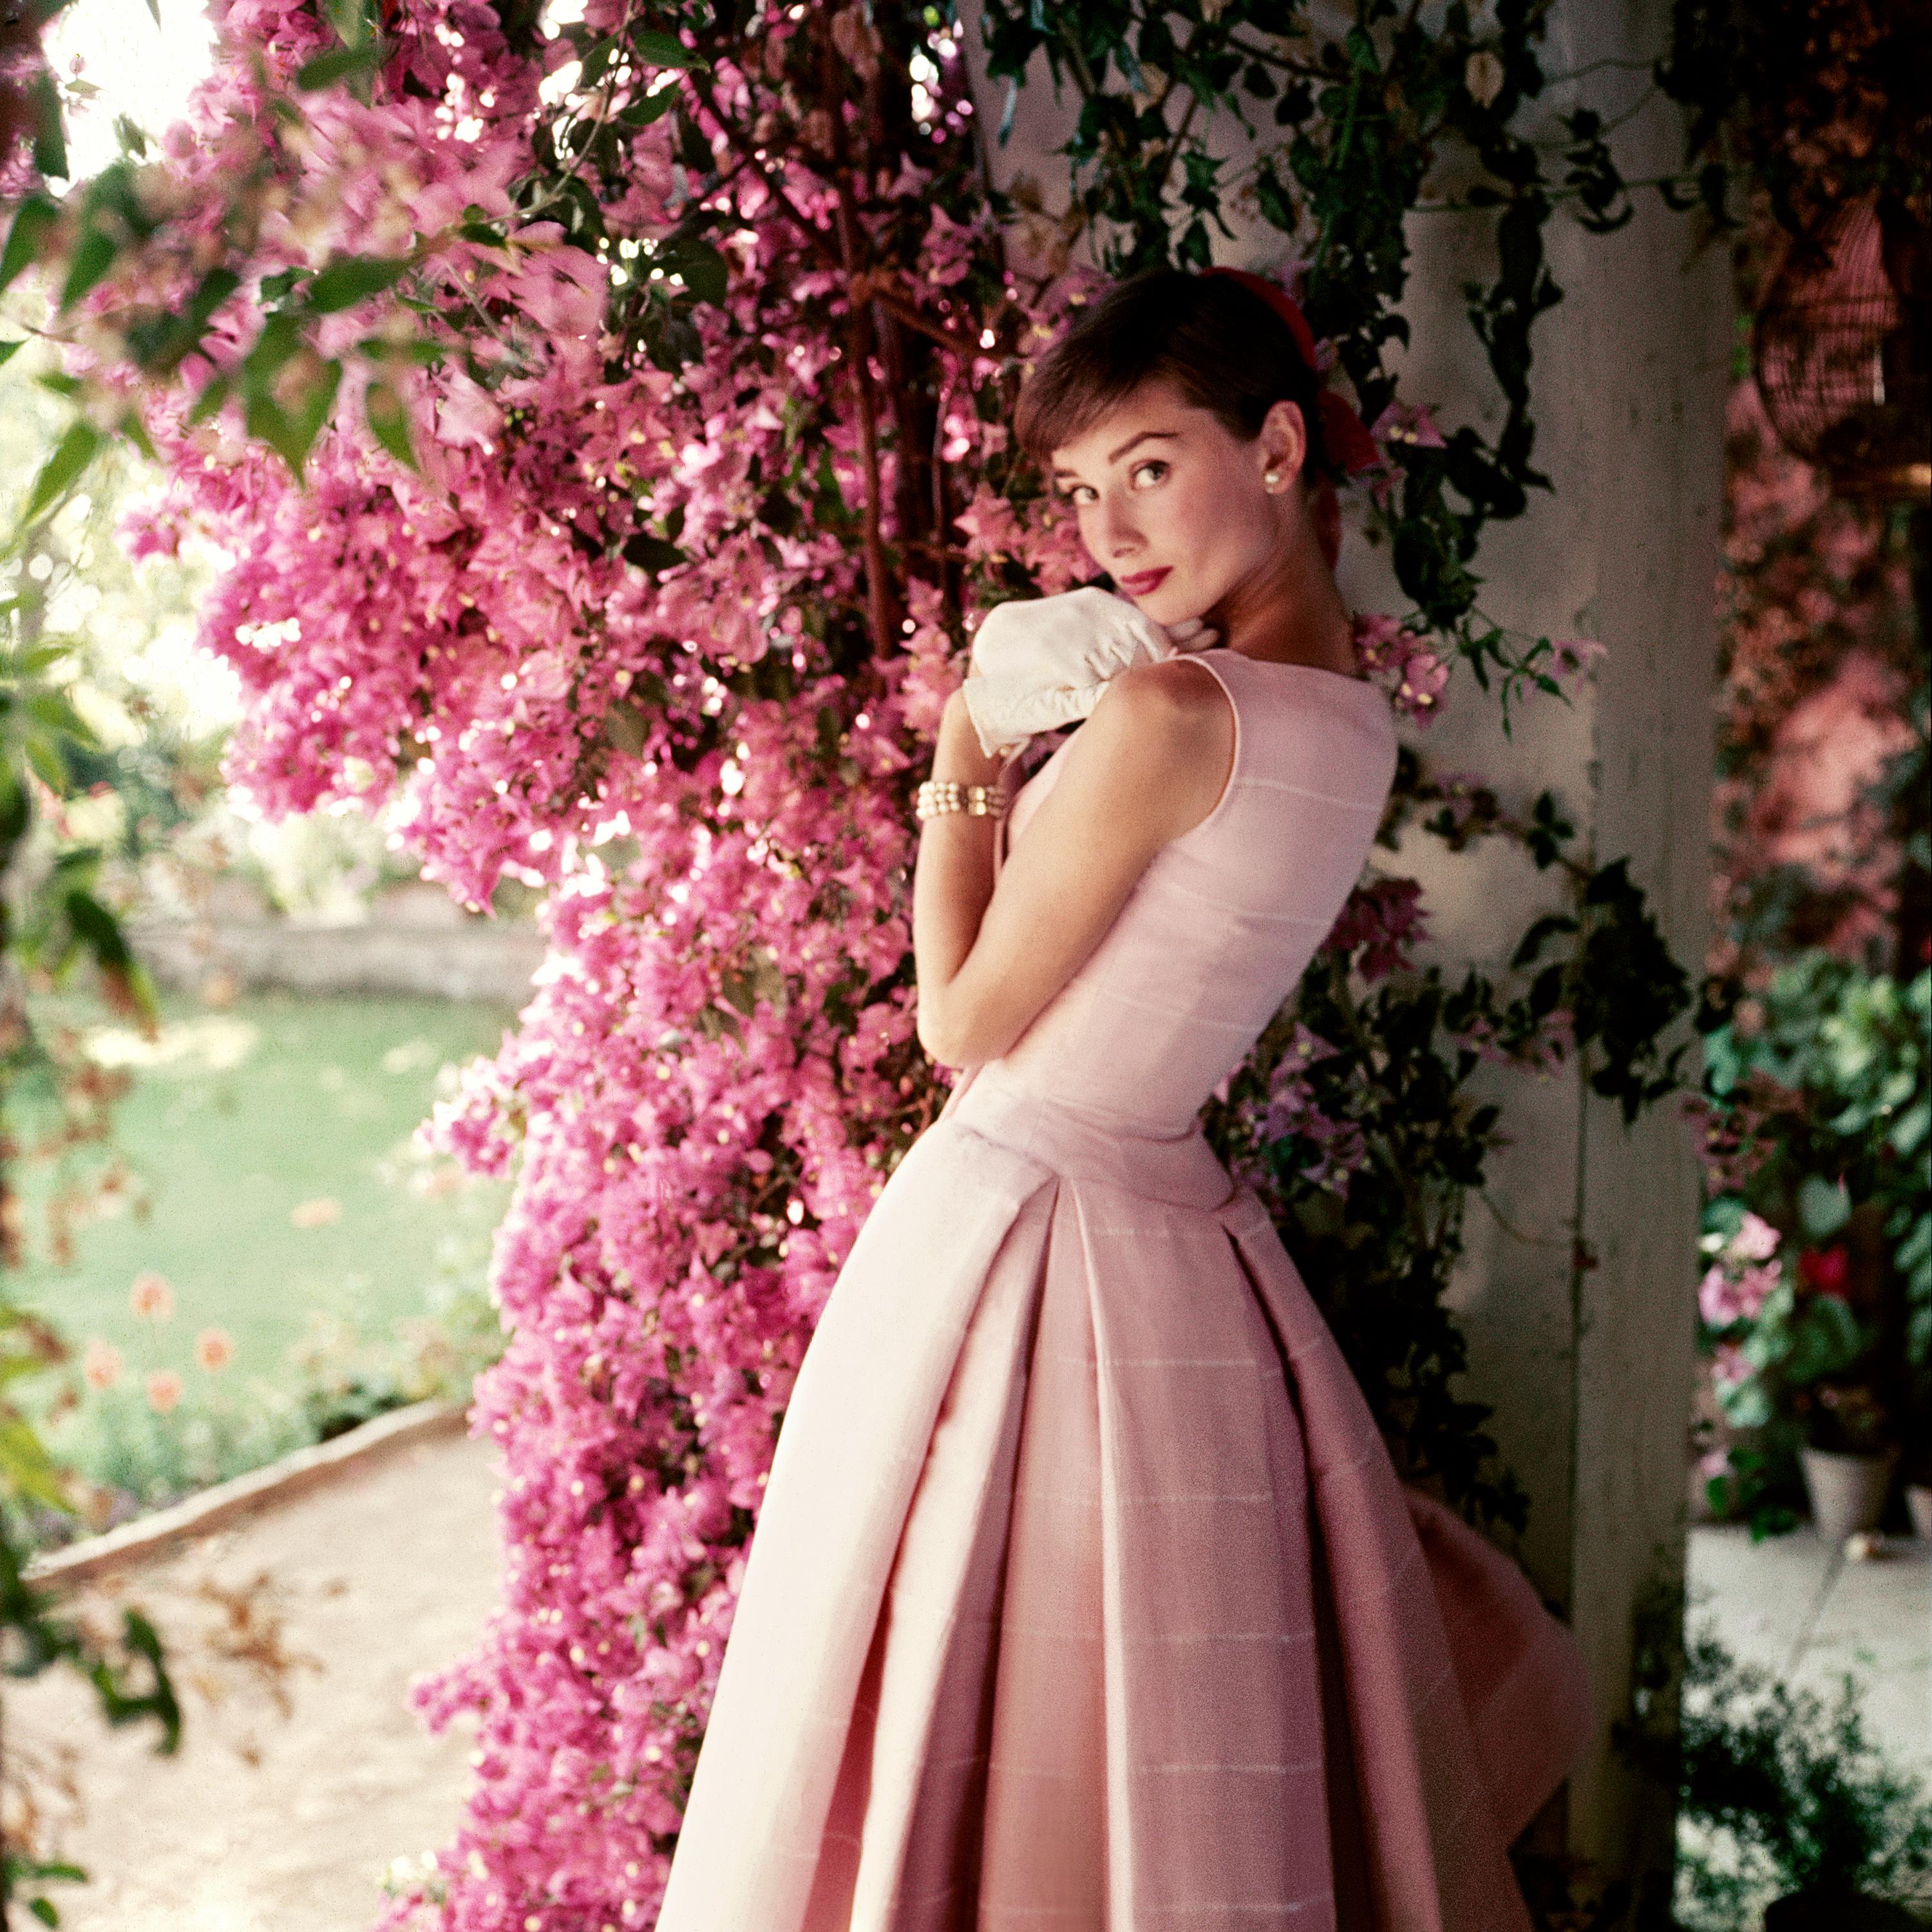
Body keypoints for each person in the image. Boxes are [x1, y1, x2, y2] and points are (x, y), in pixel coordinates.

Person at [654, 267, 1593, 1932]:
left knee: (965, 1721)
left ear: (1282, 446)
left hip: (1023, 1226)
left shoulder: (1170, 711)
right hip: (1177, 1241)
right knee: (1144, 1737)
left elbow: (957, 1023)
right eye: (1087, 491)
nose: (1111, 531)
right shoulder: (1354, 719)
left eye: (1152, 466)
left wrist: (964, 736)